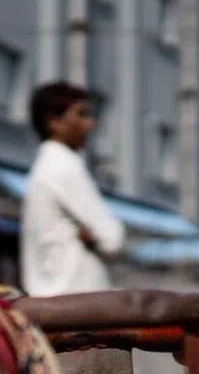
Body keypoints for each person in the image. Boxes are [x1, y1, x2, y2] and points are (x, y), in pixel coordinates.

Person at [20, 82, 125, 297]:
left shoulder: (43, 166)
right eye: (81, 114)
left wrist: (89, 235)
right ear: (54, 122)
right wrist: (93, 238)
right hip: (77, 304)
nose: (90, 125)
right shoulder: (63, 164)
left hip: (52, 301)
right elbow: (112, 238)